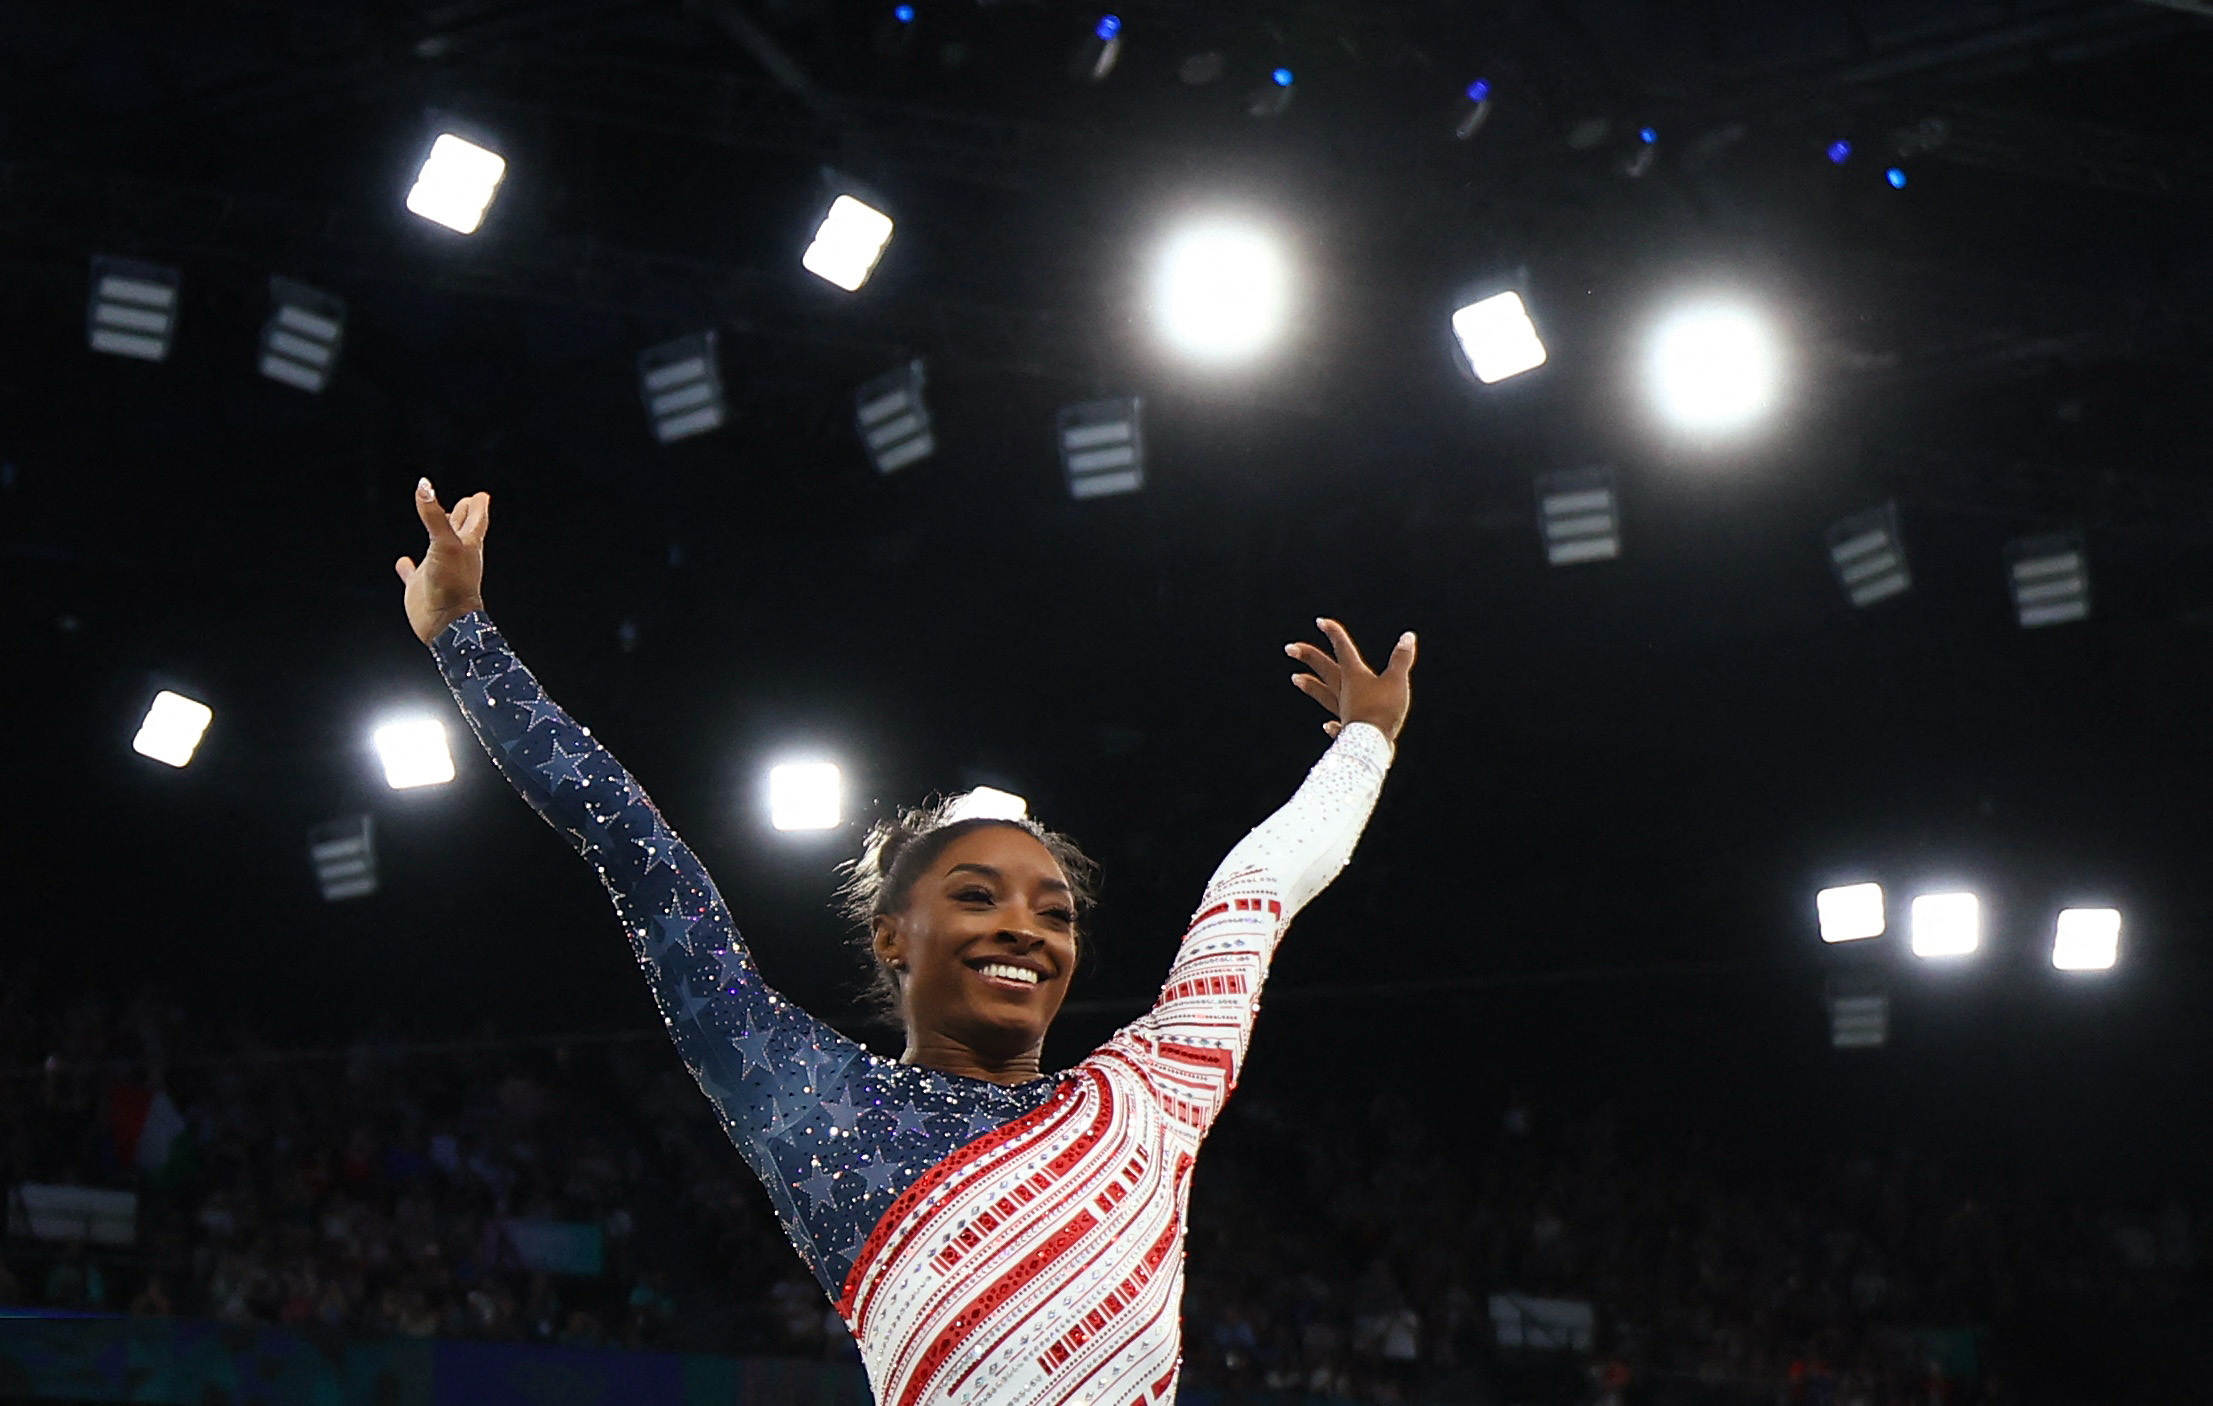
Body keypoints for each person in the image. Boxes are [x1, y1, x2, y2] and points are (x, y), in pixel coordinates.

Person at [395, 479, 1416, 1406]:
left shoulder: (1147, 1097)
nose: (1022, 927)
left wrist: (1366, 742)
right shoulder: (812, 1099)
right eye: (976, 895)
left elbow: (1256, 885)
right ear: (892, 934)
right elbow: (639, 856)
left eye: (1054, 912)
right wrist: (462, 635)